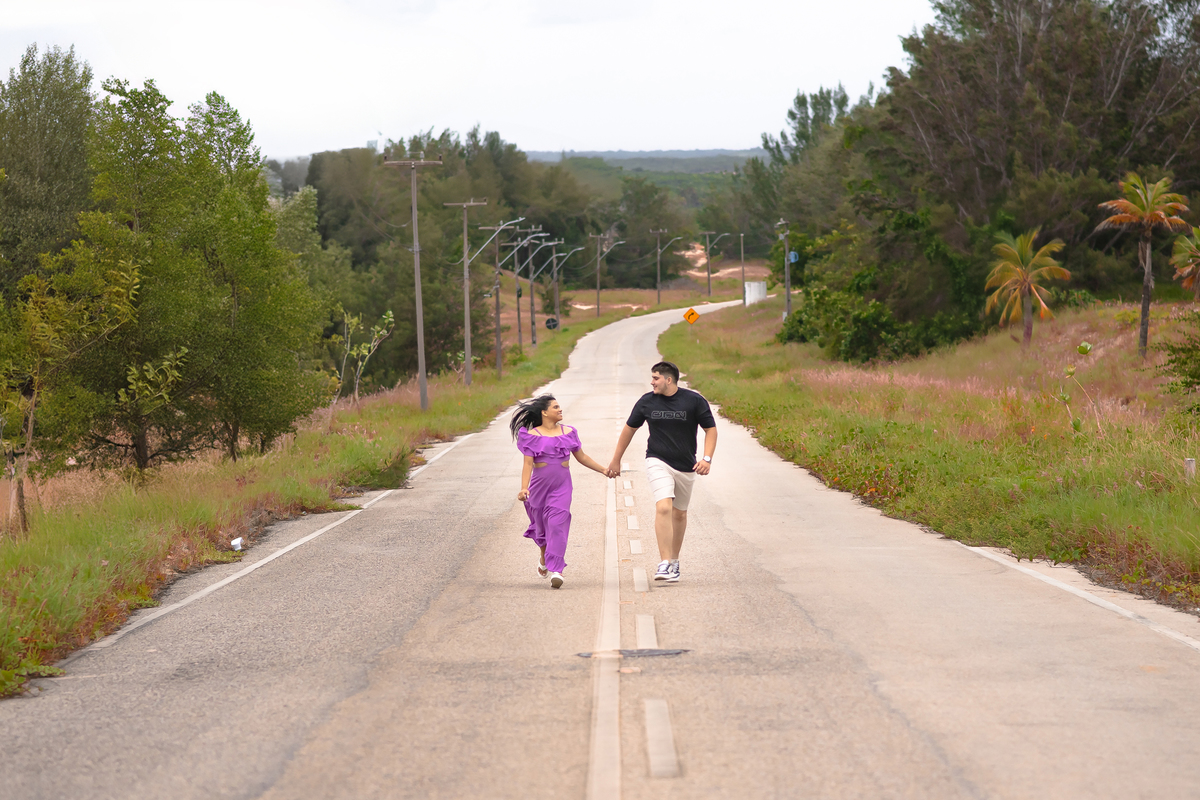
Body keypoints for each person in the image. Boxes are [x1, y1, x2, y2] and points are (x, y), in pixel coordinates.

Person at [608, 361, 716, 583]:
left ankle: (674, 561)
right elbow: (629, 430)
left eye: (656, 378)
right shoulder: (647, 402)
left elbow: (710, 429)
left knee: (680, 513)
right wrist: (616, 460)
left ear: (669, 380)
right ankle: (664, 562)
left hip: (686, 465)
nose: (652, 382)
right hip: (657, 460)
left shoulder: (693, 400)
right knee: (664, 506)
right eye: (652, 377)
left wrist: (707, 458)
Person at [511, 395, 611, 589]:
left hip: (562, 486)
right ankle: (543, 555)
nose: (560, 410)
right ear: (544, 412)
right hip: (539, 488)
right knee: (541, 528)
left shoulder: (569, 432)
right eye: (555, 407)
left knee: (557, 523)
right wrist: (524, 488)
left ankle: (557, 570)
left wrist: (604, 470)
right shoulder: (532, 435)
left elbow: (582, 457)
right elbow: (528, 464)